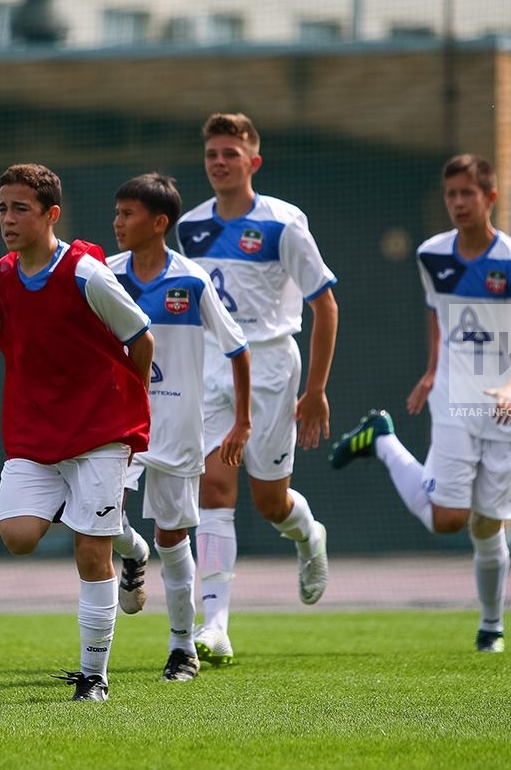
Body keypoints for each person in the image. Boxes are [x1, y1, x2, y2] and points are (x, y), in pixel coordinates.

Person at [330, 154, 511, 653]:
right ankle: (384, 442)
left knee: (488, 524)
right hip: (453, 402)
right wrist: (433, 370)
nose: (457, 202)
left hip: (506, 410)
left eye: (467, 193)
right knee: (447, 518)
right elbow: (438, 311)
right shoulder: (431, 254)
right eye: (451, 194)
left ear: (490, 197)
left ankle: (491, 625)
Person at [175, 112, 338, 666]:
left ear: (254, 162)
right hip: (210, 366)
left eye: (230, 154)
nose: (219, 163)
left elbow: (326, 306)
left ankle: (308, 535)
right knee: (213, 490)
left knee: (269, 502)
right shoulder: (190, 227)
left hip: (270, 368)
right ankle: (215, 625)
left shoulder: (283, 224)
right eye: (212, 154)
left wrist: (315, 391)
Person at [0, 163, 154, 702]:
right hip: (38, 432)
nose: (8, 219)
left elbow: (140, 338)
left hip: (101, 430)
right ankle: (128, 542)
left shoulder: (87, 274)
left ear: (51, 214)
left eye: (20, 209)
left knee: (89, 552)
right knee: (18, 536)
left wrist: (128, 403)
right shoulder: (1, 276)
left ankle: (93, 677)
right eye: (2, 208)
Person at [105, 173, 251, 683]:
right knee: (100, 521)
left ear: (158, 223)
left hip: (178, 427)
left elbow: (238, 348)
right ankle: (133, 553)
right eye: (117, 212)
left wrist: (242, 421)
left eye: (127, 214)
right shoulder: (105, 274)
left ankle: (182, 648)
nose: (117, 222)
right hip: (120, 423)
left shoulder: (192, 280)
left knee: (172, 537)